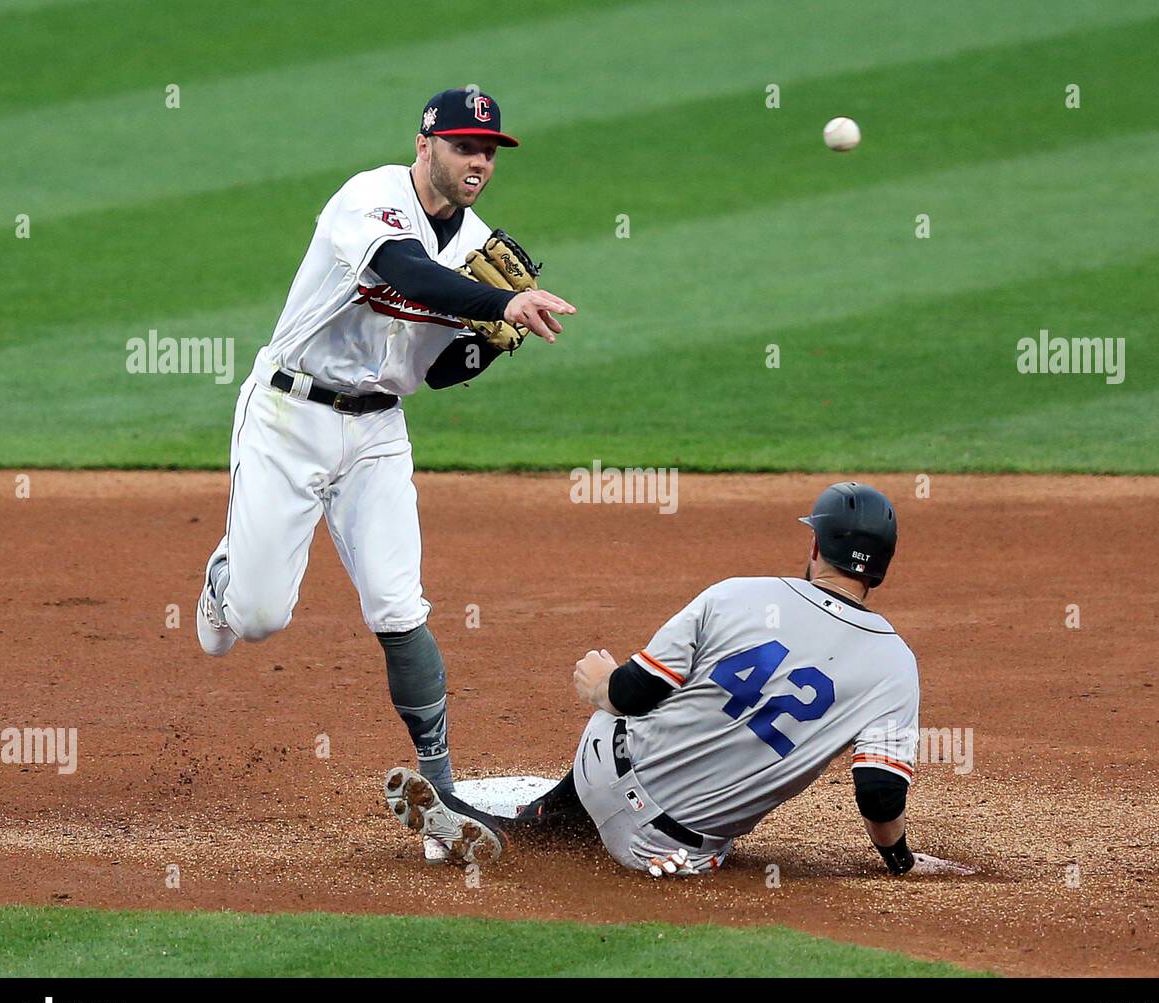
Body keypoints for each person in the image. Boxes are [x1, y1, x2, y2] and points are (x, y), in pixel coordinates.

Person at [197, 88, 575, 806]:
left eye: (489, 151)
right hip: (289, 414)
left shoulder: (478, 248)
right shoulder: (369, 198)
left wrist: (491, 345)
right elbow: (405, 271)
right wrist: (496, 305)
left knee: (400, 605)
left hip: (377, 433)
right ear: (424, 144)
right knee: (257, 618)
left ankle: (443, 791)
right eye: (465, 146)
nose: (479, 162)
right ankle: (225, 576)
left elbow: (434, 371)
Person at [386, 483, 931, 876]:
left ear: (816, 548)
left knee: (620, 718)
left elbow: (635, 693)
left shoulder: (738, 593)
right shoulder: (895, 666)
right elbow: (879, 795)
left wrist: (601, 682)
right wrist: (900, 860)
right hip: (666, 853)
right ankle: (533, 827)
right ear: (881, 567)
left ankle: (519, 824)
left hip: (602, 764)